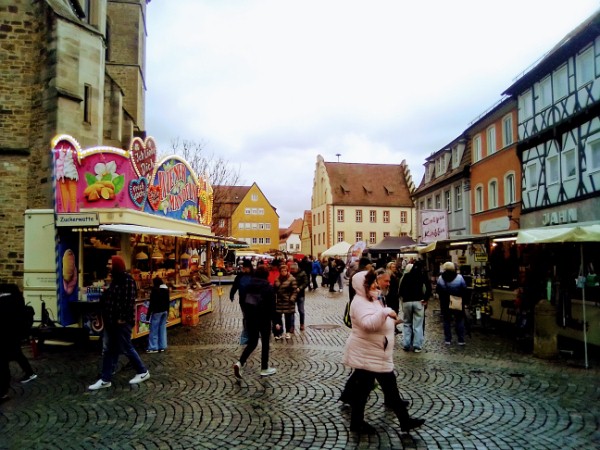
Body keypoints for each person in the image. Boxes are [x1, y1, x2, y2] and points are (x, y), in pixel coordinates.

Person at [342, 270, 425, 434]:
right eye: (372, 283)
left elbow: (378, 320)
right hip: (369, 353)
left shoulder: (371, 299)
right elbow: (368, 324)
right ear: (363, 285)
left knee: (381, 390)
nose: (375, 285)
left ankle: (403, 421)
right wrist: (386, 312)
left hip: (376, 353)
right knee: (374, 391)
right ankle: (361, 423)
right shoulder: (359, 302)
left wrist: (391, 321)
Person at [89, 255, 150, 390]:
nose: (108, 266)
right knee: (109, 349)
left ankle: (142, 371)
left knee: (126, 347)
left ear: (116, 265)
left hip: (121, 322)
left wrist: (122, 318)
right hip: (111, 321)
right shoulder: (115, 280)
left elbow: (128, 301)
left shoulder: (127, 280)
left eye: (110, 263)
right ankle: (105, 378)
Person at [233, 266, 277, 378]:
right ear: (266, 275)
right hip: (264, 319)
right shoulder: (268, 288)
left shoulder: (249, 286)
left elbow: (244, 301)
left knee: (252, 342)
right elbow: (272, 307)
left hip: (251, 318)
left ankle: (240, 362)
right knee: (265, 343)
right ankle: (264, 368)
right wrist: (276, 322)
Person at [0, 284, 37, 401]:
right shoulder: (16, 296)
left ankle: (3, 391)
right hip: (13, 333)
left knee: (7, 358)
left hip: (8, 333)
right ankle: (29, 373)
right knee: (15, 354)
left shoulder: (6, 298)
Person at [399, 260, 431, 353]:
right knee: (418, 325)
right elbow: (428, 288)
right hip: (418, 301)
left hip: (407, 302)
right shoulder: (422, 276)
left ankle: (406, 344)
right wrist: (425, 299)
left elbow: (400, 290)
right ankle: (417, 346)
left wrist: (404, 298)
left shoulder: (406, 276)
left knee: (407, 323)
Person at [437, 261, 467, 346]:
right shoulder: (459, 277)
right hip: (457, 300)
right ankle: (461, 340)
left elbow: (438, 290)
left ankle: (448, 339)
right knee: (459, 320)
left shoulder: (440, 278)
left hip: (445, 302)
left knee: (446, 320)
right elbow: (464, 288)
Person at [230, 260, 254, 345]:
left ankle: (251, 333)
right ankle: (246, 334)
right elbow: (235, 286)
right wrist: (232, 294)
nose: (244, 269)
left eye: (245, 268)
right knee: (246, 317)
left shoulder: (254, 275)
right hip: (243, 300)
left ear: (249, 268)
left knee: (251, 316)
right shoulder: (240, 276)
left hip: (253, 300)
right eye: (243, 268)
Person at [273, 264, 298, 340]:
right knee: (278, 318)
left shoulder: (292, 279)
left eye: (285, 271)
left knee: (288, 318)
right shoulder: (277, 279)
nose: (283, 272)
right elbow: (274, 290)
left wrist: (292, 298)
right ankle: (279, 332)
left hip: (288, 302)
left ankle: (288, 332)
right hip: (279, 302)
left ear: (287, 271)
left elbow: (294, 290)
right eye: (282, 271)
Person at [146, 276, 170, 353]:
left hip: (157, 311)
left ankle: (153, 347)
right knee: (162, 329)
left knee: (154, 330)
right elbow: (168, 301)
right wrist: (168, 311)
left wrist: (148, 314)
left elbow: (152, 303)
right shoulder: (166, 289)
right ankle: (162, 346)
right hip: (164, 311)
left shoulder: (155, 290)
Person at [289, 262, 309, 331]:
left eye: (293, 269)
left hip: (300, 294)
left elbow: (306, 282)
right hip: (291, 295)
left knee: (301, 311)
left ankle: (302, 324)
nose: (292, 270)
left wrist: (300, 288)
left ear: (297, 268)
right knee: (291, 311)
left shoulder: (302, 273)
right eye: (291, 269)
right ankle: (292, 326)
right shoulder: (289, 274)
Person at [385, 261, 402, 335]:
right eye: (393, 267)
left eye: (395, 267)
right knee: (393, 310)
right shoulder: (389, 275)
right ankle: (392, 327)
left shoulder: (395, 274)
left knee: (395, 310)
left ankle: (394, 327)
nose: (394, 268)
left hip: (395, 295)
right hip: (391, 296)